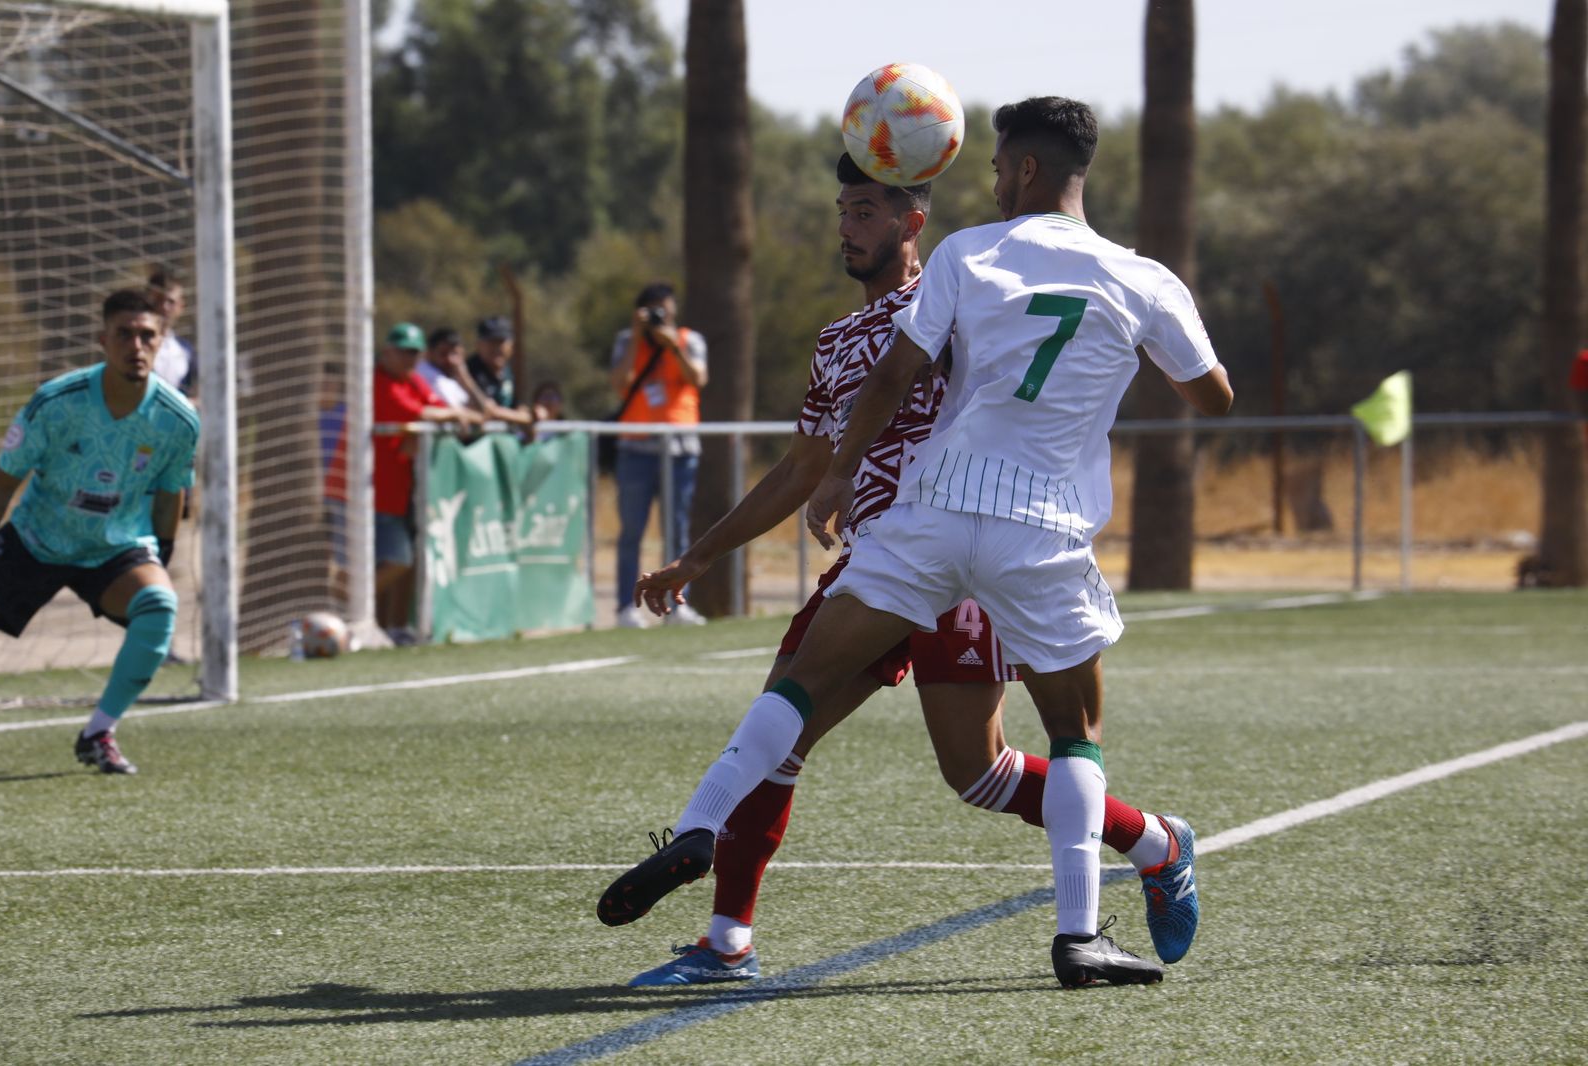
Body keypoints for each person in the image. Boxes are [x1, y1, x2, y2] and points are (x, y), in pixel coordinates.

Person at [599, 97, 1234, 989]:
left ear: (914, 221)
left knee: (977, 772)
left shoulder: (961, 274)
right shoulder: (848, 338)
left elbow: (916, 378)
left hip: (960, 542)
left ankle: (1154, 842)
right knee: (794, 725)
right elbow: (803, 465)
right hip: (909, 542)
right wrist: (703, 555)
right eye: (844, 213)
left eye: (867, 212)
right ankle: (726, 933)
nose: (849, 229)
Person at [0, 289, 200, 774]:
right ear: (103, 340)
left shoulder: (178, 419)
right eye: (124, 334)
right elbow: (1, 484)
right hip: (37, 538)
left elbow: (172, 494)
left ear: (162, 341)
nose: (136, 345)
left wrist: (159, 560)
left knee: (159, 606)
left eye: (147, 335)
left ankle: (99, 732)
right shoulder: (56, 402)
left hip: (117, 546)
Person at [371, 322, 484, 644]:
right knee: (397, 561)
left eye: (414, 353)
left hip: (400, 489)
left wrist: (458, 414)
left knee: (398, 562)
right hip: (373, 490)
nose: (409, 359)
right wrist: (454, 415)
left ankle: (384, 628)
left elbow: (436, 408)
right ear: (387, 351)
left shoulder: (412, 380)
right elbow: (421, 413)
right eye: (403, 352)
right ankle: (352, 614)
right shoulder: (379, 383)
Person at [609, 282, 708, 628]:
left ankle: (677, 607)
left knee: (677, 531)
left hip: (679, 449)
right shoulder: (627, 341)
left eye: (663, 310)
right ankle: (624, 608)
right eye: (651, 311)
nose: (657, 317)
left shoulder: (688, 340)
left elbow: (698, 378)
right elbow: (620, 382)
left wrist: (671, 347)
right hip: (636, 448)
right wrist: (638, 336)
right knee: (631, 532)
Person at [463, 315, 534, 435]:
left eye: (500, 342)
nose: (496, 348)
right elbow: (488, 410)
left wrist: (524, 414)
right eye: (491, 342)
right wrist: (523, 418)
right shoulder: (471, 370)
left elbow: (517, 406)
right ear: (479, 344)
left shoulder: (508, 372)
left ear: (511, 345)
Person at [145, 266, 196, 398]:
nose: (164, 307)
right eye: (158, 300)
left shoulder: (186, 350)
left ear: (181, 306)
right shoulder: (134, 344)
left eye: (171, 302)